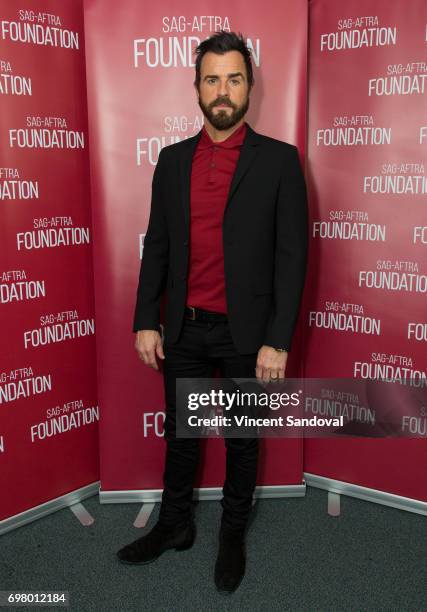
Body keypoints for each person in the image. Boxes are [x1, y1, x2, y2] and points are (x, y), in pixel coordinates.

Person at [117, 30, 308, 594]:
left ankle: (231, 534)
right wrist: (145, 319)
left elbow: (292, 257)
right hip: (186, 329)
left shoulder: (279, 161)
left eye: (234, 79)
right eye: (211, 79)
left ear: (249, 86)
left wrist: (279, 339)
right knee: (181, 435)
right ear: (196, 87)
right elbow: (158, 244)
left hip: (249, 337)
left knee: (242, 441)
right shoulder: (172, 161)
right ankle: (175, 527)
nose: (222, 91)